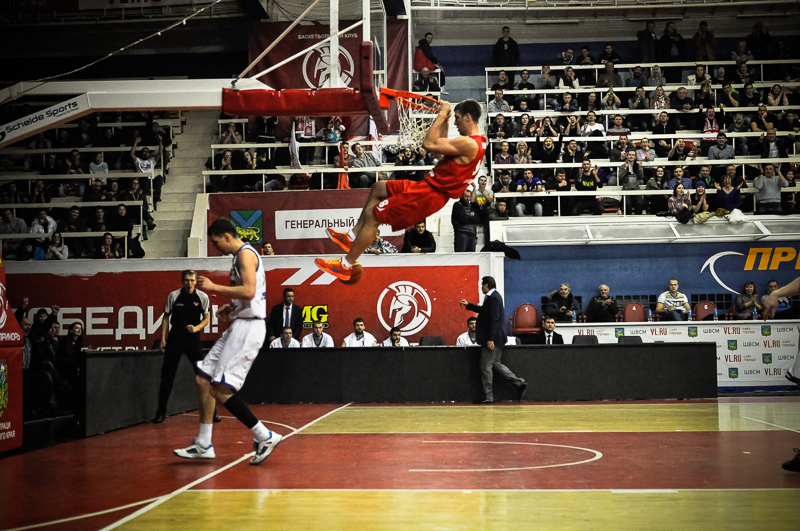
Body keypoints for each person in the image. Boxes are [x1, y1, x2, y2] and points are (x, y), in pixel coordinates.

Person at [316, 100, 486, 282]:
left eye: (457, 118)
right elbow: (440, 150)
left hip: (430, 194)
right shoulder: (479, 142)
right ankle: (350, 237)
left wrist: (441, 114)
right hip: (428, 186)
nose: (455, 122)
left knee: (373, 216)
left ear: (468, 117)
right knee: (378, 188)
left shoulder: (469, 144)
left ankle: (345, 265)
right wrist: (444, 121)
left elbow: (429, 144)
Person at [174, 218, 281, 466]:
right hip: (240, 323)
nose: (215, 247)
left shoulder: (245, 255)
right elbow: (248, 295)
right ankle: (204, 443)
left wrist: (214, 287)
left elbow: (249, 291)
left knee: (220, 389)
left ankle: (265, 435)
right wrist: (231, 308)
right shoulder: (239, 256)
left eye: (215, 242)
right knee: (203, 379)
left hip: (249, 328)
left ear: (227, 236)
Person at [154, 270, 211, 424]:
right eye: (186, 280)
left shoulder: (202, 297)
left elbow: (206, 319)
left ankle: (212, 413)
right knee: (167, 376)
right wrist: (163, 338)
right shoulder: (173, 296)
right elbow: (166, 317)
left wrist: (196, 328)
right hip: (175, 339)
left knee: (203, 376)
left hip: (193, 340)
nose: (189, 283)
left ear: (195, 281)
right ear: (182, 281)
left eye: (192, 280)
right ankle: (160, 412)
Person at [460, 276, 527, 403]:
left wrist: (490, 338)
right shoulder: (494, 297)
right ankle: (519, 383)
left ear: (486, 285)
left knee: (485, 367)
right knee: (495, 363)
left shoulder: (493, 298)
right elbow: (484, 311)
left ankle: (488, 396)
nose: (481, 287)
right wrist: (469, 305)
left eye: (482, 285)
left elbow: (495, 320)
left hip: (493, 338)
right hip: (498, 337)